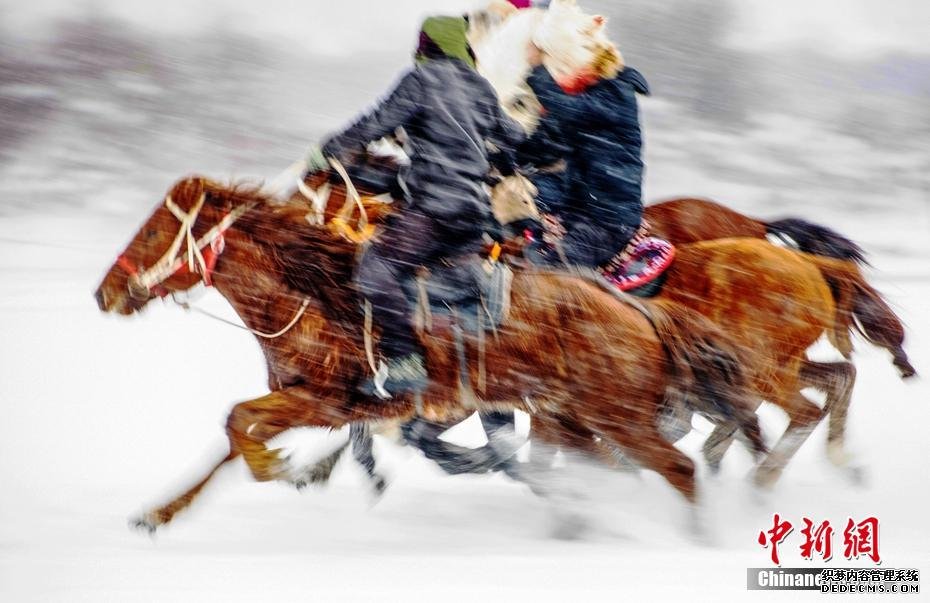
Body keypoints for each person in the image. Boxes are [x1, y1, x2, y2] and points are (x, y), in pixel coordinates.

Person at [314, 16, 525, 398]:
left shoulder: (421, 80)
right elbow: (513, 138)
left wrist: (327, 151)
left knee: (374, 271)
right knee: (446, 290)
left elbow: (375, 122)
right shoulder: (480, 87)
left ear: (428, 45)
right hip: (472, 216)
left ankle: (405, 360)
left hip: (434, 210)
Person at [522, 42, 650, 269]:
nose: (561, 76)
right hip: (579, 215)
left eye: (565, 68)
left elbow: (567, 109)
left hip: (607, 222)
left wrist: (537, 68)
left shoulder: (615, 94)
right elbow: (542, 145)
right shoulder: (586, 99)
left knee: (549, 272)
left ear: (590, 67)